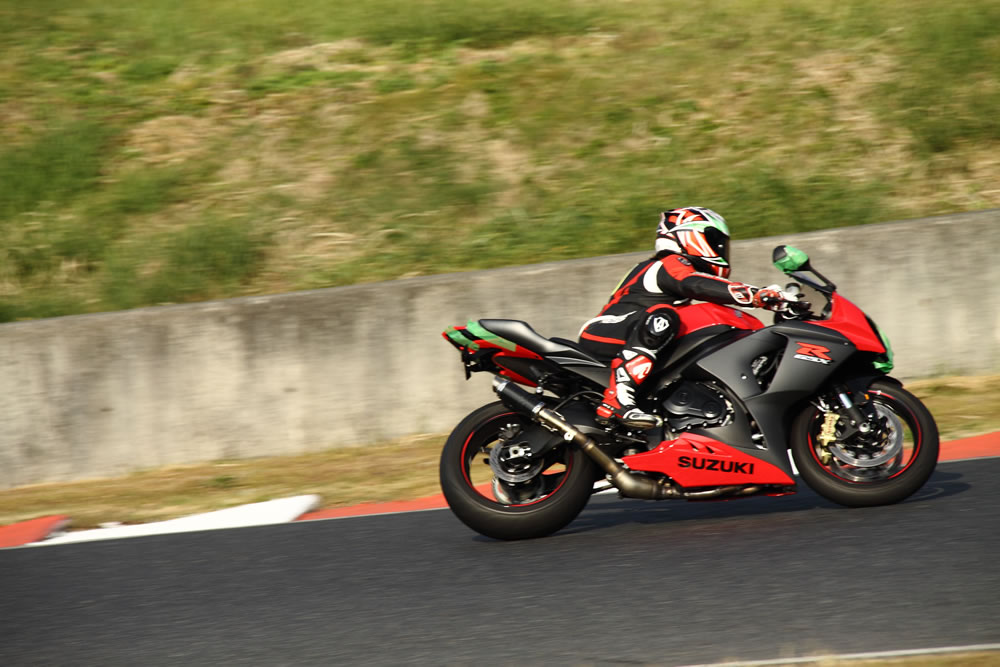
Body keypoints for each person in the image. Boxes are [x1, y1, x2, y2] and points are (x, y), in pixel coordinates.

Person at [577, 206, 794, 429]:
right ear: (688, 236)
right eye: (714, 240)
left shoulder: (671, 270)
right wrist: (756, 295)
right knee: (664, 317)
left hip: (629, 332)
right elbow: (696, 284)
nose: (721, 248)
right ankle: (617, 399)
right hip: (606, 329)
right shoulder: (668, 262)